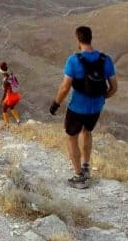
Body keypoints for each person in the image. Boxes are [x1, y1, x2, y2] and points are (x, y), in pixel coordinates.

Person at [49, 26, 118, 189]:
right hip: (96, 108)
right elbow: (114, 87)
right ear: (90, 38)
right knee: (87, 131)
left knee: (72, 137)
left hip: (77, 108)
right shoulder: (105, 59)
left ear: (78, 40)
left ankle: (79, 176)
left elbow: (65, 87)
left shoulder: (73, 60)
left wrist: (56, 104)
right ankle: (86, 166)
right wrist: (102, 98)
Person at [0, 61, 22, 128]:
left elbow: (5, 93)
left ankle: (7, 125)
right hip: (17, 95)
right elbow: (17, 84)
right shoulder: (12, 76)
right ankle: (18, 121)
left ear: (1, 72)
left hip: (10, 97)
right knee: (11, 107)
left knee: (4, 108)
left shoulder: (5, 81)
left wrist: (1, 101)